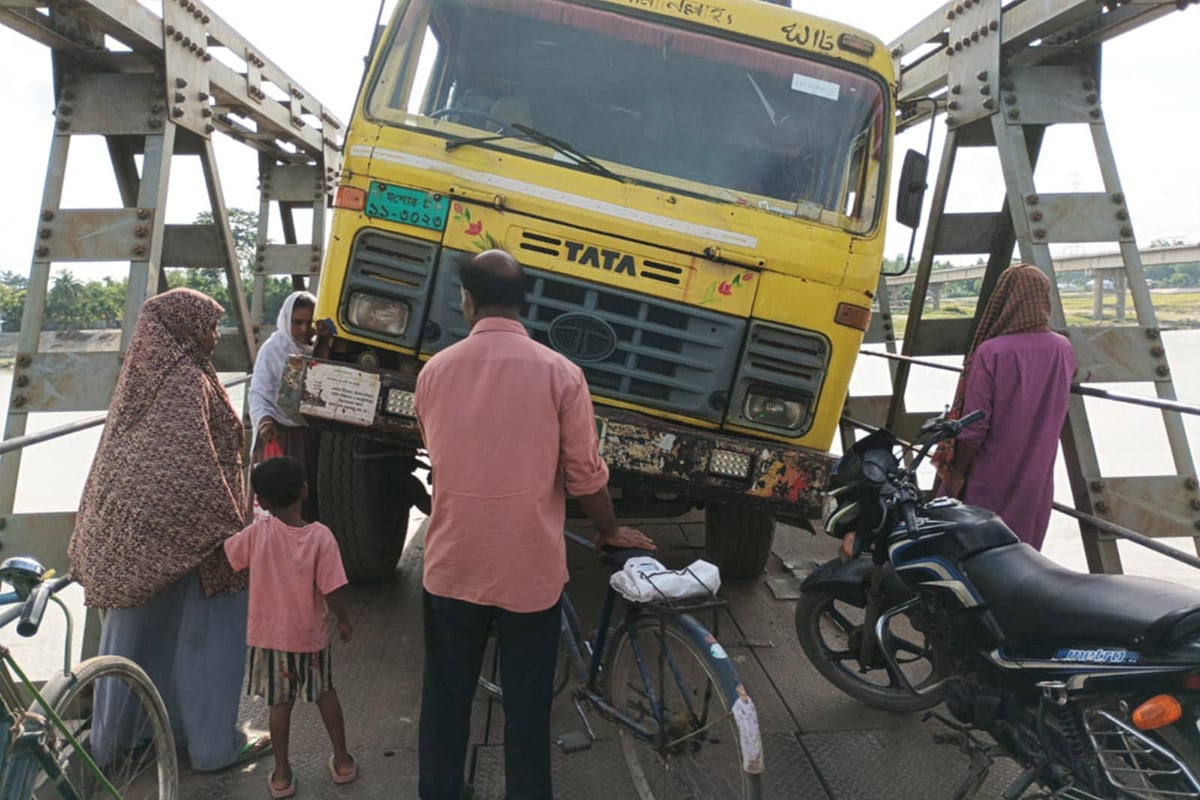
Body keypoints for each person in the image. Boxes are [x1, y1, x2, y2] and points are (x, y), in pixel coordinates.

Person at [413, 249, 655, 800]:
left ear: (467, 300)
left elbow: (436, 450)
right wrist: (609, 529)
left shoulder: (434, 373)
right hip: (530, 575)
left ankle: (441, 791)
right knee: (527, 705)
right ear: (523, 302)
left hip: (452, 567)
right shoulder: (561, 374)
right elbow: (585, 476)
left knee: (445, 696)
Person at [69, 288, 271, 770]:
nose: (215, 334)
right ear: (184, 328)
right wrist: (229, 527)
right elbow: (188, 467)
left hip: (137, 537)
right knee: (208, 629)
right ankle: (211, 745)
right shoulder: (186, 381)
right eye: (209, 324)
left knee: (139, 634)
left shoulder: (144, 378)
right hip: (189, 532)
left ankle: (126, 736)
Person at [225, 456, 356, 798]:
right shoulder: (320, 537)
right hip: (310, 639)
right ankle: (342, 761)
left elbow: (230, 554)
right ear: (305, 491)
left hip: (269, 641)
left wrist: (249, 512)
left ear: (262, 501)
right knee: (325, 694)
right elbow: (332, 589)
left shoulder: (257, 533)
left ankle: (282, 774)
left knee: (279, 705)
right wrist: (343, 620)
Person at [934, 263, 1076, 550]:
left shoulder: (991, 352)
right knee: (1022, 555)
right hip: (1036, 481)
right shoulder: (1063, 349)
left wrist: (957, 474)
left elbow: (974, 426)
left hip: (989, 477)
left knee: (977, 554)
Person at [249, 291, 318, 519]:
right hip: (278, 434)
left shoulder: (320, 348)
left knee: (306, 505)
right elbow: (258, 392)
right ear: (286, 319)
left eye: (309, 323)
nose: (304, 329)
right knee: (278, 504)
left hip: (309, 436)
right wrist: (264, 421)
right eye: (297, 322)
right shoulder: (272, 349)